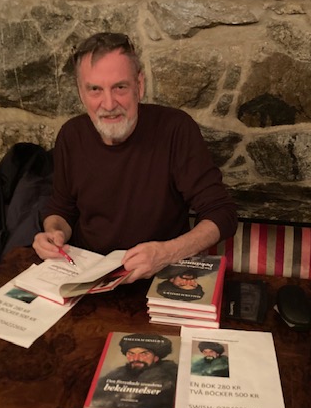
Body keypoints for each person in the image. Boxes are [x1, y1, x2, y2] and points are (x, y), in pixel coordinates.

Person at [33, 32, 237, 282]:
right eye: (95, 89)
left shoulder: (176, 129)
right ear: (81, 92)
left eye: (120, 87)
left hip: (159, 277)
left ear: (139, 85)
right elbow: (61, 209)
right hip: (87, 276)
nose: (109, 104)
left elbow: (222, 213)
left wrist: (167, 253)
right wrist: (53, 233)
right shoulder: (71, 135)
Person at [90, 333, 178, 408]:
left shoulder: (168, 378)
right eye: (131, 354)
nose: (135, 359)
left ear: (156, 358)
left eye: (144, 354)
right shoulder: (114, 375)